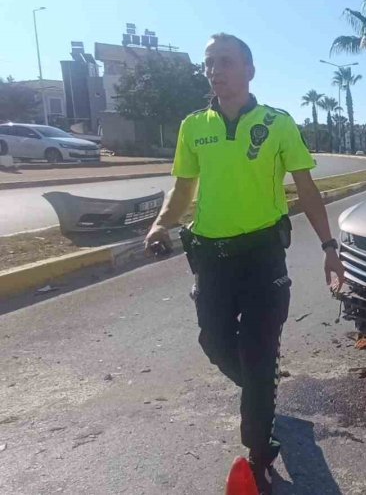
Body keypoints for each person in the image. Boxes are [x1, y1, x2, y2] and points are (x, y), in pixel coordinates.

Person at [144, 33, 344, 494]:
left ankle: (258, 451)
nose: (215, 70)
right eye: (209, 63)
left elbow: (306, 189)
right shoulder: (193, 125)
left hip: (262, 257)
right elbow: (182, 190)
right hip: (211, 259)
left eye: (226, 62)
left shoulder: (278, 123)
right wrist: (160, 224)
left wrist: (329, 247)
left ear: (249, 70)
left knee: (255, 356)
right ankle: (263, 388)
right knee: (214, 342)